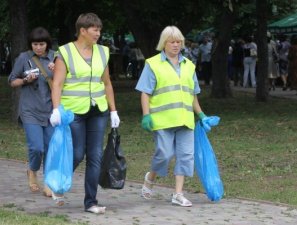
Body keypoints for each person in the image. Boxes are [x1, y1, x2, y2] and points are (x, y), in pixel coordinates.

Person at [50, 13, 120, 213]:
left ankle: (91, 202)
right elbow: (57, 83)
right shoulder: (65, 52)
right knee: (78, 153)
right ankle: (57, 181)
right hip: (74, 111)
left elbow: (106, 83)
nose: (98, 33)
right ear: (82, 30)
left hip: (98, 110)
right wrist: (56, 109)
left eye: (99, 29)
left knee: (95, 156)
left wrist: (113, 110)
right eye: (94, 29)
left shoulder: (103, 52)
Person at [135, 25, 207, 207]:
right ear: (164, 43)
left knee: (185, 156)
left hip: (185, 119)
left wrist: (201, 115)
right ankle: (151, 177)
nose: (175, 45)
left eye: (178, 42)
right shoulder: (153, 64)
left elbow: (193, 94)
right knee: (164, 155)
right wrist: (146, 115)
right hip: (162, 120)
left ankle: (178, 193)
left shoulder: (189, 66)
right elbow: (145, 92)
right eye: (171, 41)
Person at [8, 27, 55, 198]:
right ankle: (32, 170)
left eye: (41, 44)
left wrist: (56, 70)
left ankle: (49, 183)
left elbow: (66, 81)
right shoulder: (24, 58)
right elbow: (12, 81)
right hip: (30, 110)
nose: (38, 47)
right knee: (36, 147)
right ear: (31, 44)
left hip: (51, 111)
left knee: (50, 148)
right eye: (35, 44)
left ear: (47, 44)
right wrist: (25, 80)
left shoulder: (56, 57)